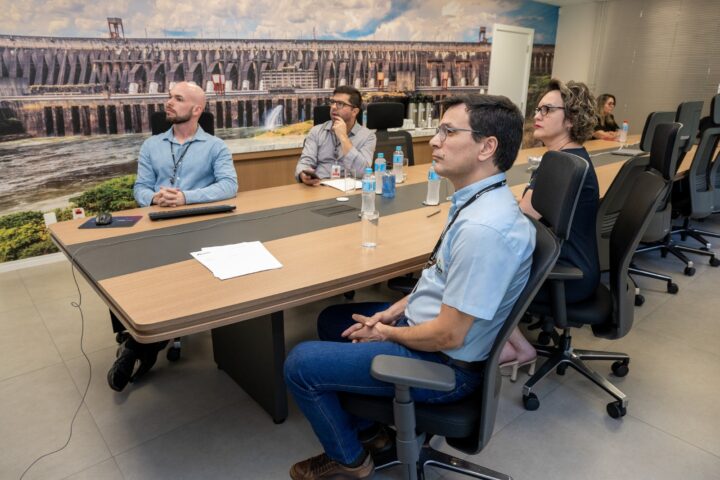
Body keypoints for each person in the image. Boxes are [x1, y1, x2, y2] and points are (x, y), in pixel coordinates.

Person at [284, 94, 536, 480]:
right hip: (431, 331)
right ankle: (376, 436)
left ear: (487, 147)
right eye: (438, 130)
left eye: (448, 132)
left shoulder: (485, 230)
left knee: (299, 364)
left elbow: (449, 335)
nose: (434, 140)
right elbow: (439, 281)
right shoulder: (481, 199)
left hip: (445, 366)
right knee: (333, 319)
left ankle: (350, 458)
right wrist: (391, 311)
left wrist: (385, 333)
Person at [107, 81, 238, 392]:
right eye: (168, 97)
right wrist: (153, 198)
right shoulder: (151, 145)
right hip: (155, 225)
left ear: (196, 109)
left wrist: (185, 197)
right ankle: (139, 336)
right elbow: (140, 188)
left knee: (172, 276)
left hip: (196, 228)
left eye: (177, 99)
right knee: (117, 269)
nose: (168, 103)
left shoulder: (215, 147)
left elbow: (229, 186)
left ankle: (141, 345)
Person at [504, 79, 601, 364]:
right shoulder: (569, 158)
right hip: (574, 264)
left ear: (570, 119)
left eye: (547, 110)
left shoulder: (560, 164)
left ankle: (521, 349)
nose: (537, 115)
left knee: (483, 268)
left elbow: (522, 215)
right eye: (537, 109)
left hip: (566, 275)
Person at [295, 86, 376, 186]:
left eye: (340, 104)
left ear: (354, 111)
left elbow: (363, 172)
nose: (333, 107)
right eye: (332, 102)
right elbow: (305, 162)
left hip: (349, 189)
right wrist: (303, 174)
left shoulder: (368, 136)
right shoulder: (316, 131)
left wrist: (343, 137)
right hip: (319, 186)